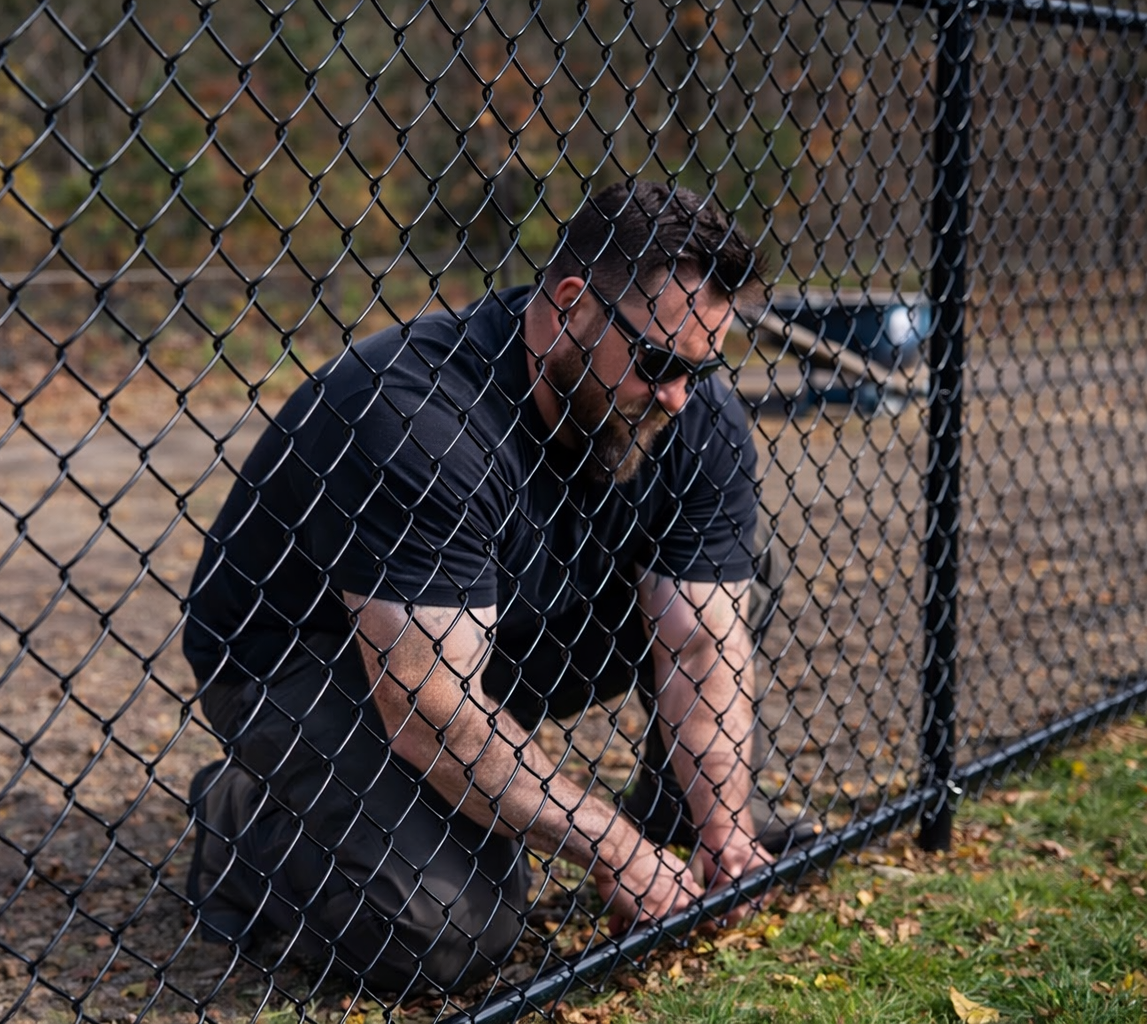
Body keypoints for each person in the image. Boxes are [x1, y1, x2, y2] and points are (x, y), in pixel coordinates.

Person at [181, 180, 799, 995]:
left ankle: (677, 821)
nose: (681, 393)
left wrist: (722, 828)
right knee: (444, 935)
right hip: (307, 657)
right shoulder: (418, 418)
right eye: (657, 363)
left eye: (704, 364)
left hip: (486, 629)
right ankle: (242, 821)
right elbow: (430, 709)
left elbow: (700, 637)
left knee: (740, 575)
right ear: (573, 303)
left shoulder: (692, 409)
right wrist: (610, 847)